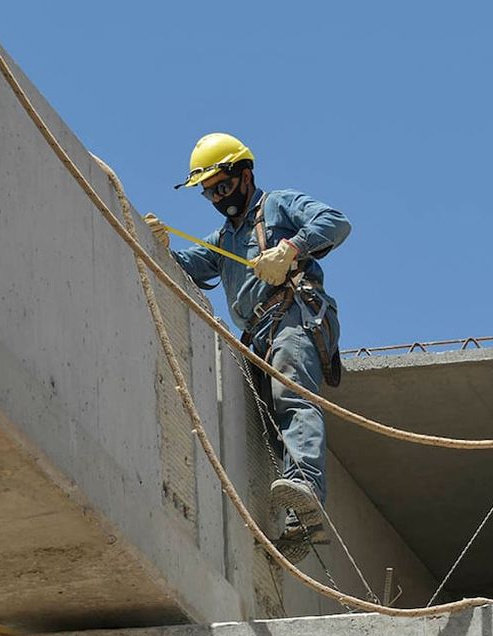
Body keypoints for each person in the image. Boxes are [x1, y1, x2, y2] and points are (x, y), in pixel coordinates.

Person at [145, 133, 350, 563]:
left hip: (292, 315)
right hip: (258, 336)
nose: (218, 197)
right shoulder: (223, 240)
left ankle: (308, 488)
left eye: (222, 185)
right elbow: (187, 269)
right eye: (209, 191)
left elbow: (335, 221)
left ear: (245, 175)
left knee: (292, 398)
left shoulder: (277, 205)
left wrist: (290, 247)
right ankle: (302, 522)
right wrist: (158, 246)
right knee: (276, 425)